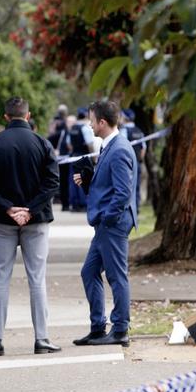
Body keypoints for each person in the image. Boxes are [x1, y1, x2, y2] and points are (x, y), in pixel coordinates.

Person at [0, 97, 61, 356]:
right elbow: (52, 182)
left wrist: (8, 207)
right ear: (28, 115)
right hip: (36, 221)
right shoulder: (41, 144)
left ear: (5, 117)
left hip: (2, 221)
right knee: (37, 279)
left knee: (0, 279)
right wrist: (30, 209)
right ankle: (42, 338)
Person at [72, 100, 137, 347]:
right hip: (105, 224)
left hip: (113, 224)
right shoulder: (109, 146)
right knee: (89, 272)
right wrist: (89, 181)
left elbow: (122, 193)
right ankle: (98, 327)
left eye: (91, 120)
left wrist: (107, 218)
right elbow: (109, 186)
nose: (89, 124)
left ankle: (120, 329)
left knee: (117, 276)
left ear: (102, 122)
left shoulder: (119, 149)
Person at [66, 107, 95, 211]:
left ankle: (74, 204)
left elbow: (68, 144)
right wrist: (92, 156)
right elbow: (89, 144)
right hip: (84, 156)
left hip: (73, 156)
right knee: (83, 179)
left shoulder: (72, 128)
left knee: (73, 180)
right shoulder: (85, 128)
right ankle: (83, 204)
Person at [119, 109, 146, 213]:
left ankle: (128, 208)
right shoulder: (139, 131)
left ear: (125, 118)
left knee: (125, 186)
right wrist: (140, 159)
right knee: (136, 185)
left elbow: (122, 146)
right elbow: (143, 148)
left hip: (126, 163)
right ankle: (136, 207)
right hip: (137, 163)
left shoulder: (124, 131)